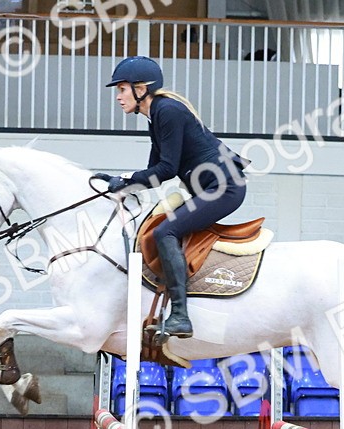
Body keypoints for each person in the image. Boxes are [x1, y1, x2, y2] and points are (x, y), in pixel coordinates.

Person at [98, 56, 249, 341]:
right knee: (159, 224)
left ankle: (180, 315)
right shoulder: (155, 116)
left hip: (225, 188)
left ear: (141, 89)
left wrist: (127, 179)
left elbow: (166, 169)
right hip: (212, 188)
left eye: (122, 89)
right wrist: (122, 184)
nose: (118, 97)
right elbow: (156, 174)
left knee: (165, 231)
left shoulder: (167, 111)